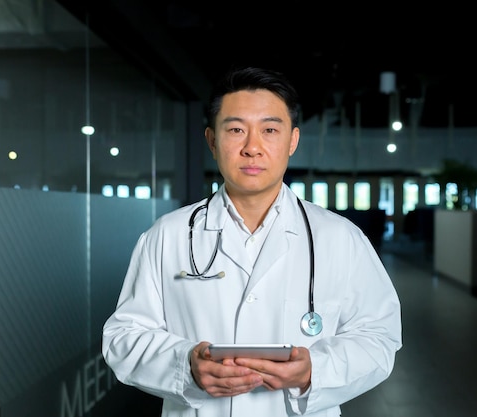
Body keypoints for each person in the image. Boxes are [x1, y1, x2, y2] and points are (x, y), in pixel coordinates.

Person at [102, 66, 402, 417]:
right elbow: (124, 337)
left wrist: (314, 371)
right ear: (212, 141)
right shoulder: (167, 235)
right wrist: (186, 365)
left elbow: (378, 337)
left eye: (270, 130)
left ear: (292, 140)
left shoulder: (340, 238)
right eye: (236, 130)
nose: (252, 147)